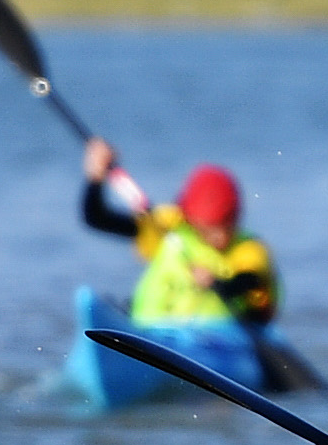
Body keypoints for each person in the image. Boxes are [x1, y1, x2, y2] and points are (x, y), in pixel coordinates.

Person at [79, 137, 279, 330]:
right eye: (208, 229)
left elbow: (249, 282)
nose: (217, 237)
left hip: (216, 340)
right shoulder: (167, 226)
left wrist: (218, 283)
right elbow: (97, 219)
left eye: (224, 227)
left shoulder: (248, 249)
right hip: (152, 332)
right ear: (190, 219)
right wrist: (95, 179)